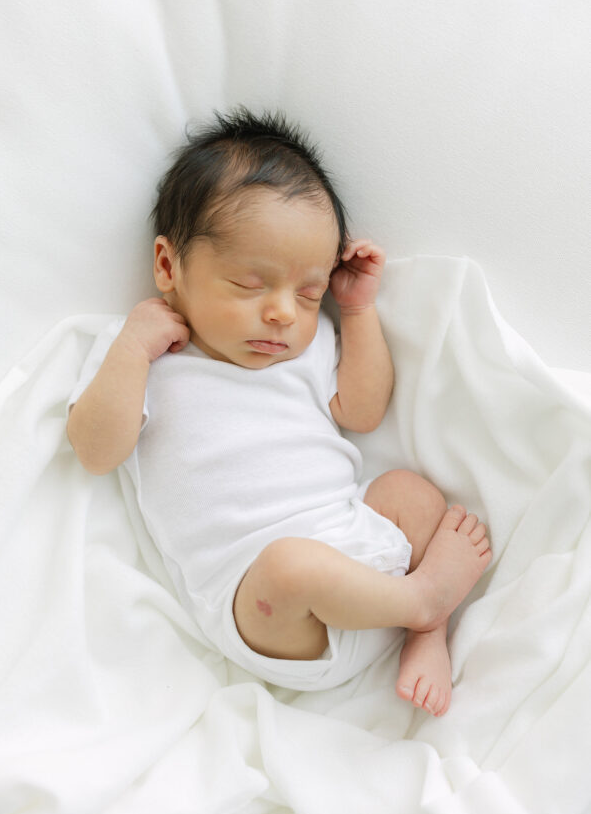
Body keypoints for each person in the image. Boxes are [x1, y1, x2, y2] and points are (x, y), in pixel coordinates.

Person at [67, 107, 491, 715]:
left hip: (359, 556)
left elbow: (364, 411)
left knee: (409, 491)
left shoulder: (309, 341)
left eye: (308, 290)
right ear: (168, 267)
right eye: (249, 285)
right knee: (292, 565)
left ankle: (425, 635)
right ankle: (427, 604)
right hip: (265, 608)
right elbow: (94, 451)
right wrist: (134, 349)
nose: (284, 313)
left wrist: (355, 311)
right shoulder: (142, 355)